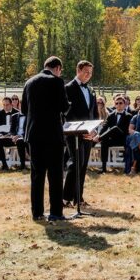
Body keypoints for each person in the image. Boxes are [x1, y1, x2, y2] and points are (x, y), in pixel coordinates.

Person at [21, 56, 70, 221]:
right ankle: (56, 212)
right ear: (57, 68)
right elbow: (64, 107)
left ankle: (37, 212)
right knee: (55, 174)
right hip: (52, 134)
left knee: (37, 174)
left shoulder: (29, 82)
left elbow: (24, 109)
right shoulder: (56, 81)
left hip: (33, 135)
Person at [62, 60, 99, 208]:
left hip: (88, 134)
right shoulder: (68, 88)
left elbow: (94, 113)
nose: (88, 75)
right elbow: (66, 113)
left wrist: (94, 129)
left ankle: (78, 198)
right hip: (74, 133)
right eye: (86, 72)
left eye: (90, 73)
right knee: (75, 163)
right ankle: (65, 198)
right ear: (78, 70)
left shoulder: (90, 90)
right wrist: (79, 128)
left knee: (83, 165)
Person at [98, 96, 132, 172]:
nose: (119, 105)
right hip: (113, 139)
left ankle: (98, 139)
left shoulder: (129, 116)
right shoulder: (111, 115)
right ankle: (103, 168)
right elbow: (104, 127)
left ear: (124, 104)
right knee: (104, 142)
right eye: (117, 103)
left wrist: (99, 137)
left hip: (123, 139)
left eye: (121, 103)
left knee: (115, 128)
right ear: (115, 104)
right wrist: (98, 134)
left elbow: (127, 130)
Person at [0, 104, 27, 170]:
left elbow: (29, 130)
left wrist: (19, 136)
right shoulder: (14, 116)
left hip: (24, 138)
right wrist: (13, 136)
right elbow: (12, 130)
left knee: (20, 141)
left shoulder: (29, 116)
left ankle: (22, 165)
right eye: (22, 105)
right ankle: (4, 165)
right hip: (14, 137)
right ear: (19, 106)